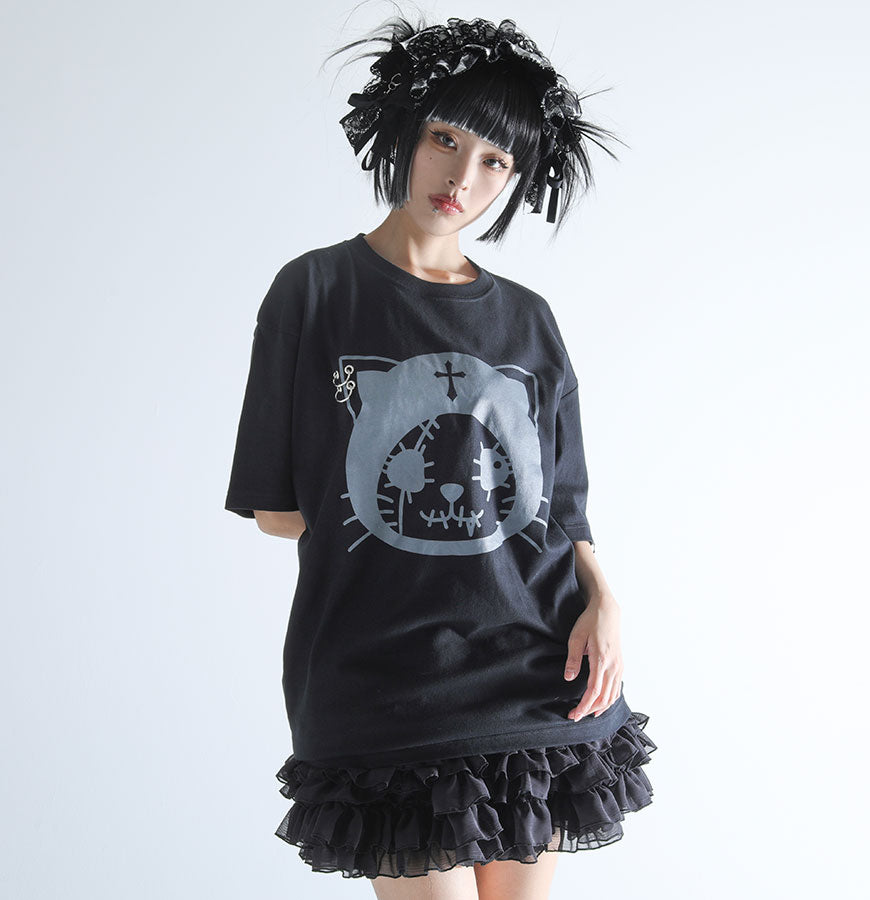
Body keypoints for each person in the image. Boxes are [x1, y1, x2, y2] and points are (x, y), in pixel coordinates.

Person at [224, 12, 657, 898]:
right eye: (445, 140)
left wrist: (606, 597)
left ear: (519, 177)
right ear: (405, 131)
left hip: (540, 667)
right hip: (382, 680)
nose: (462, 178)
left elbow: (560, 503)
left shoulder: (527, 318)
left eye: (495, 160)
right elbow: (275, 509)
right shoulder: (314, 291)